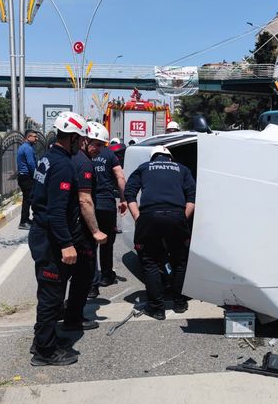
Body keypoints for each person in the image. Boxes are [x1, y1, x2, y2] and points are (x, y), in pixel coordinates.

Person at [28, 112, 88, 366]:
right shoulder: (63, 165)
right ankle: (45, 352)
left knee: (48, 293)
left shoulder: (49, 158)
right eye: (81, 140)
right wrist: (66, 244)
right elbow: (56, 211)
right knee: (52, 297)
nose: (82, 145)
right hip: (51, 239)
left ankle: (44, 339)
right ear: (73, 138)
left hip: (42, 234)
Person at [124, 146, 196, 319]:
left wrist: (138, 218)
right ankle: (179, 303)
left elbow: (129, 193)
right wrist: (181, 220)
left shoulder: (143, 167)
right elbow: (192, 198)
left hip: (149, 215)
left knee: (149, 261)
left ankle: (157, 308)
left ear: (153, 158)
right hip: (176, 215)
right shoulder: (182, 169)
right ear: (170, 158)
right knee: (180, 261)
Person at [72, 123, 109, 302]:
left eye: (102, 145)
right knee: (83, 270)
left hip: (71, 223)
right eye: (98, 145)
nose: (100, 150)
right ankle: (74, 315)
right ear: (85, 141)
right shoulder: (85, 163)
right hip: (79, 226)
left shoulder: (74, 158)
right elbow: (84, 200)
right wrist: (95, 230)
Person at [89, 122, 127, 294]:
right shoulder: (110, 155)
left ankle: (92, 283)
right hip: (106, 204)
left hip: (89, 205)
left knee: (89, 244)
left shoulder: (83, 155)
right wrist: (124, 199)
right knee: (107, 243)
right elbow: (120, 176)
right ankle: (106, 275)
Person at [16, 129, 38, 229]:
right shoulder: (28, 148)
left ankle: (26, 219)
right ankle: (23, 222)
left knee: (27, 199)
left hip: (23, 176)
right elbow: (31, 164)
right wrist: (36, 176)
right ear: (28, 137)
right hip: (26, 177)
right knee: (28, 199)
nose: (36, 139)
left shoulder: (24, 147)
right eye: (35, 137)